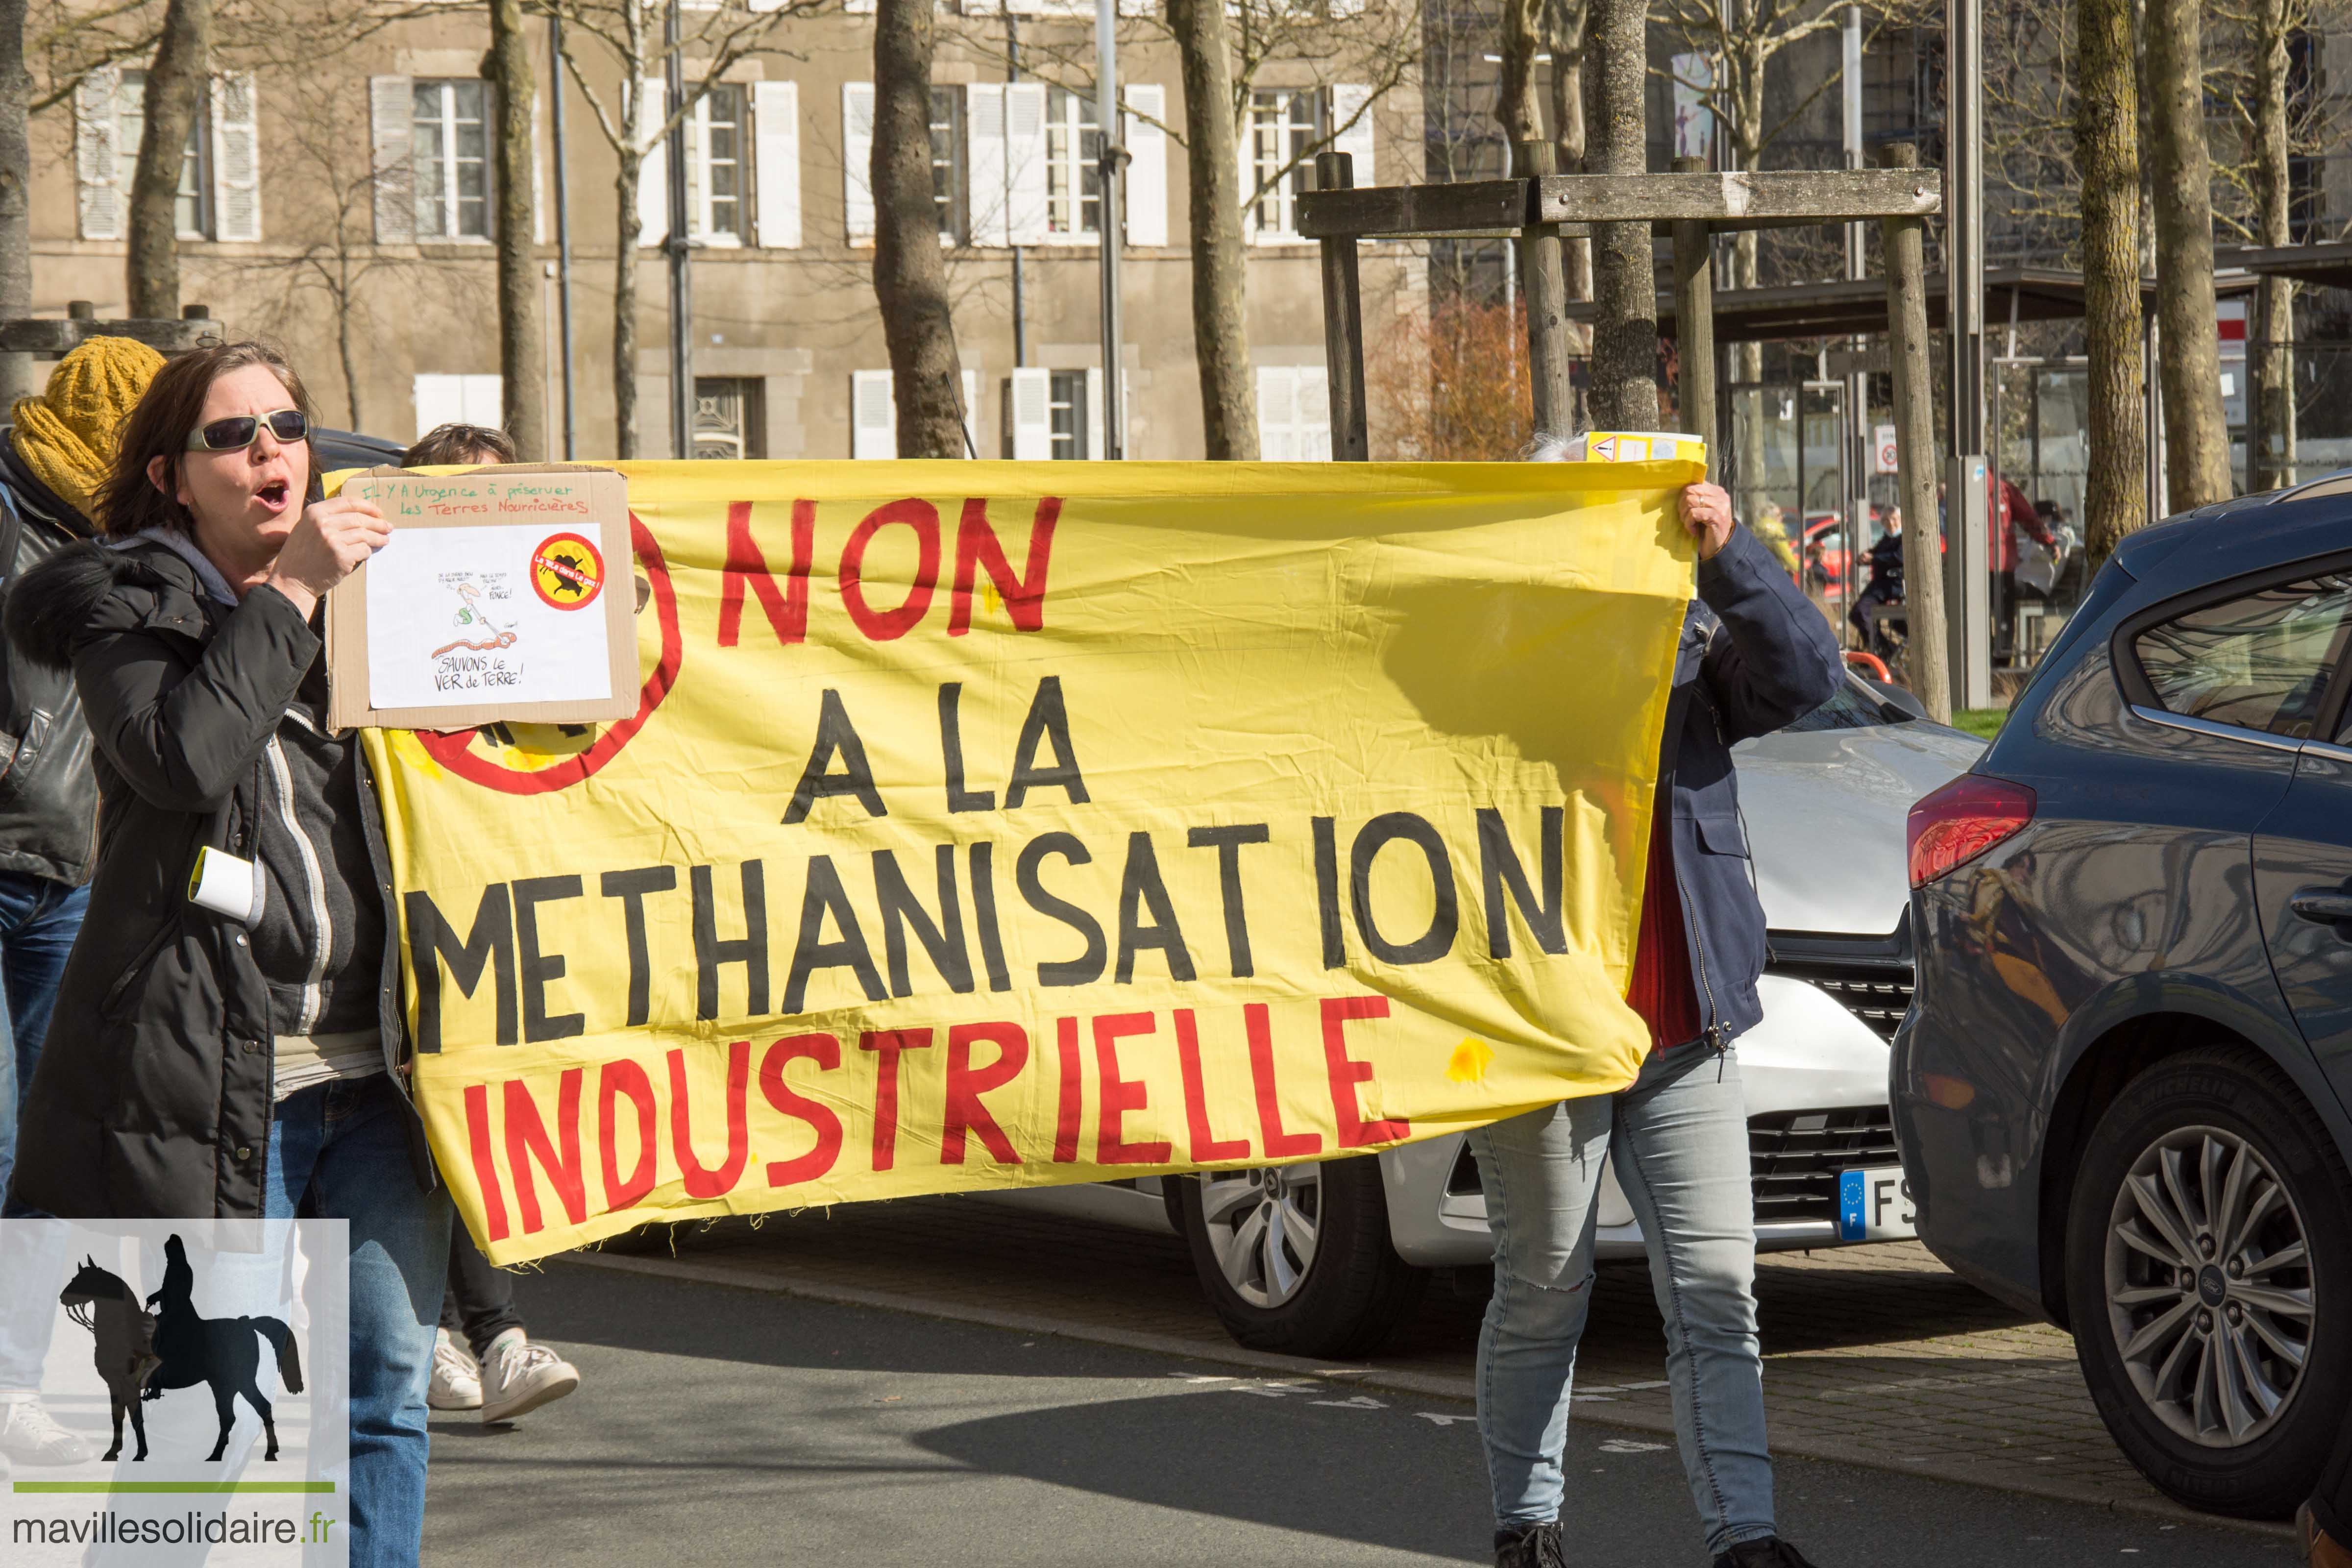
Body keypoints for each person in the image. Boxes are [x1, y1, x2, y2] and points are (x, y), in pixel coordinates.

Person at [2, 341, 449, 1567]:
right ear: (170, 476)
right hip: (221, 1082)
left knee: (380, 1399)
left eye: (289, 426)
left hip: (390, 1078)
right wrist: (291, 593)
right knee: (211, 1432)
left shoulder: (389, 588)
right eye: (232, 434)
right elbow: (184, 762)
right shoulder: (126, 608)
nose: (270, 451)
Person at [1484, 449, 1843, 1568]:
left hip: (1683, 1033)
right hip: (1547, 1041)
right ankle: (1525, 1530)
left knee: (1715, 1294)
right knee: (1545, 1289)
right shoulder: (1482, 672)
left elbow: (1808, 673)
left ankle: (1745, 1541)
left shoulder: (1686, 654)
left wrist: (1726, 555)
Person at [0, 336, 165, 1470]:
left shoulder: (138, 542)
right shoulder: (10, 514)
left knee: (50, 1151)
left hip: (72, 876)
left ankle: (20, 1375)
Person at [398, 421, 584, 1425]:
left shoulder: (546, 619)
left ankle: (487, 1335)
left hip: (499, 898)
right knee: (414, 1124)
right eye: (462, 500)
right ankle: (453, 1329)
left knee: (468, 1117)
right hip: (395, 911)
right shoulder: (371, 617)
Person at [1992, 475, 2058, 664]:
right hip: (2014, 575)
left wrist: (2049, 544)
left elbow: (2049, 560)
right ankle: (2001, 653)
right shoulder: (2004, 489)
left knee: (2003, 594)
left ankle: (2000, 652)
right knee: (2003, 599)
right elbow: (2029, 520)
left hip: (2032, 583)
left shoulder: (2000, 490)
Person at [1848, 507, 1904, 655]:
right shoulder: (1886, 539)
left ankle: (1882, 649)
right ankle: (1885, 647)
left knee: (1862, 612)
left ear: (1900, 520)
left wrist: (1874, 558)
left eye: (1894, 519)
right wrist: (1865, 557)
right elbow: (1877, 553)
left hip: (1894, 585)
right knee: (1856, 614)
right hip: (1880, 585)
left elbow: (1899, 558)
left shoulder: (1903, 539)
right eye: (1886, 520)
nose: (1890, 523)